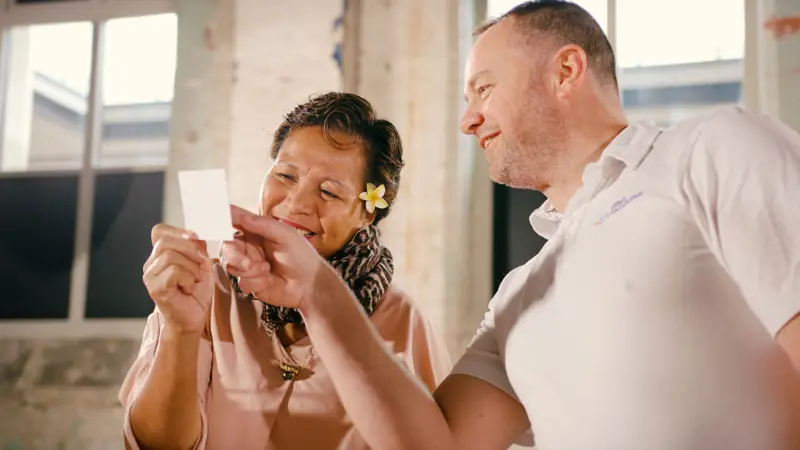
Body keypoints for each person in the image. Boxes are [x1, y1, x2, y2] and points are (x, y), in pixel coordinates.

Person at [222, 1, 800, 450]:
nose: (468, 119)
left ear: (566, 71)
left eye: (484, 89)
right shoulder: (521, 292)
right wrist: (318, 294)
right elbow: (434, 443)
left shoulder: (712, 150)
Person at [118, 92, 452, 450]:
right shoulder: (206, 289)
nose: (295, 204)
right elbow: (156, 446)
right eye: (285, 175)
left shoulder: (402, 322)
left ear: (367, 212)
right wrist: (180, 330)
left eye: (328, 191)